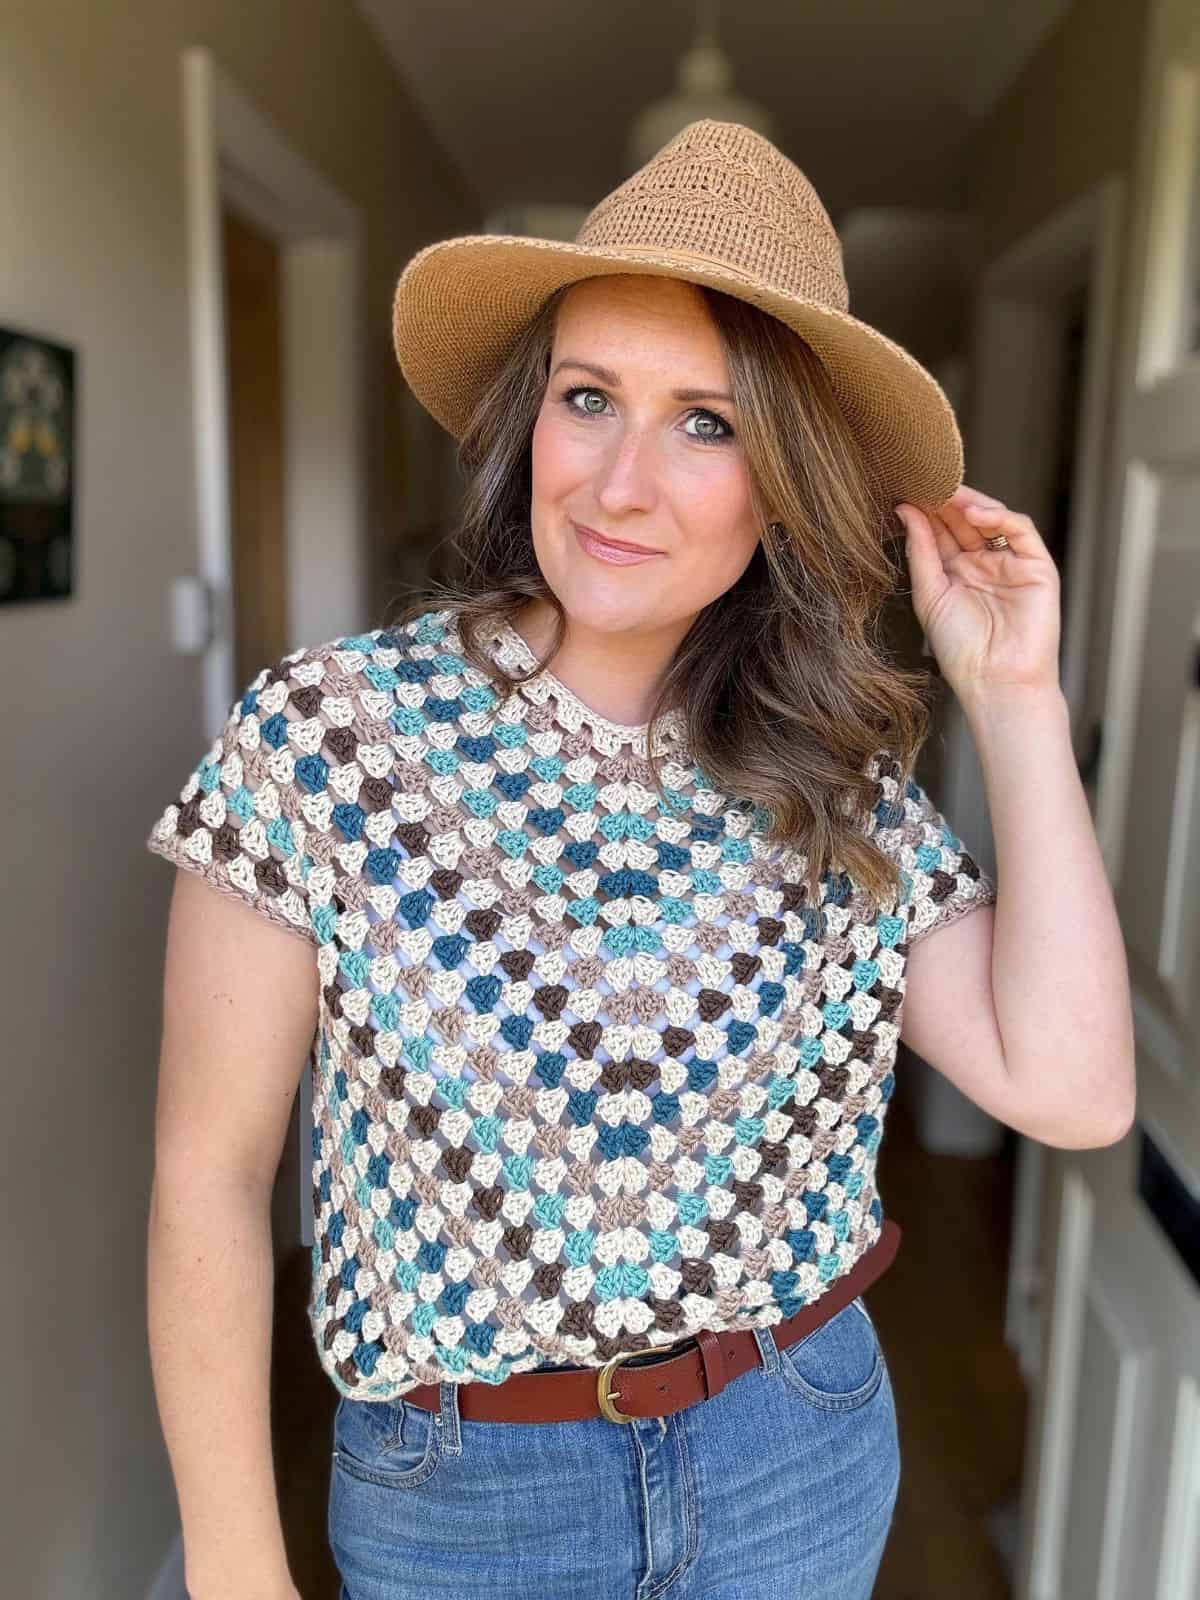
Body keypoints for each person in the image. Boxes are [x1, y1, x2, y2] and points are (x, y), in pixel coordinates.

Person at [144, 119, 1135, 1600]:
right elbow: (210, 1177)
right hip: (461, 1491)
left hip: (793, 1448)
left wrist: (1016, 700)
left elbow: (1070, 1089)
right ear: (525, 423)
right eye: (588, 397)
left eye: (708, 423)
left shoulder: (836, 776)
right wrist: (234, 1566)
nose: (618, 484)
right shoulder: (327, 739)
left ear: (787, 479)